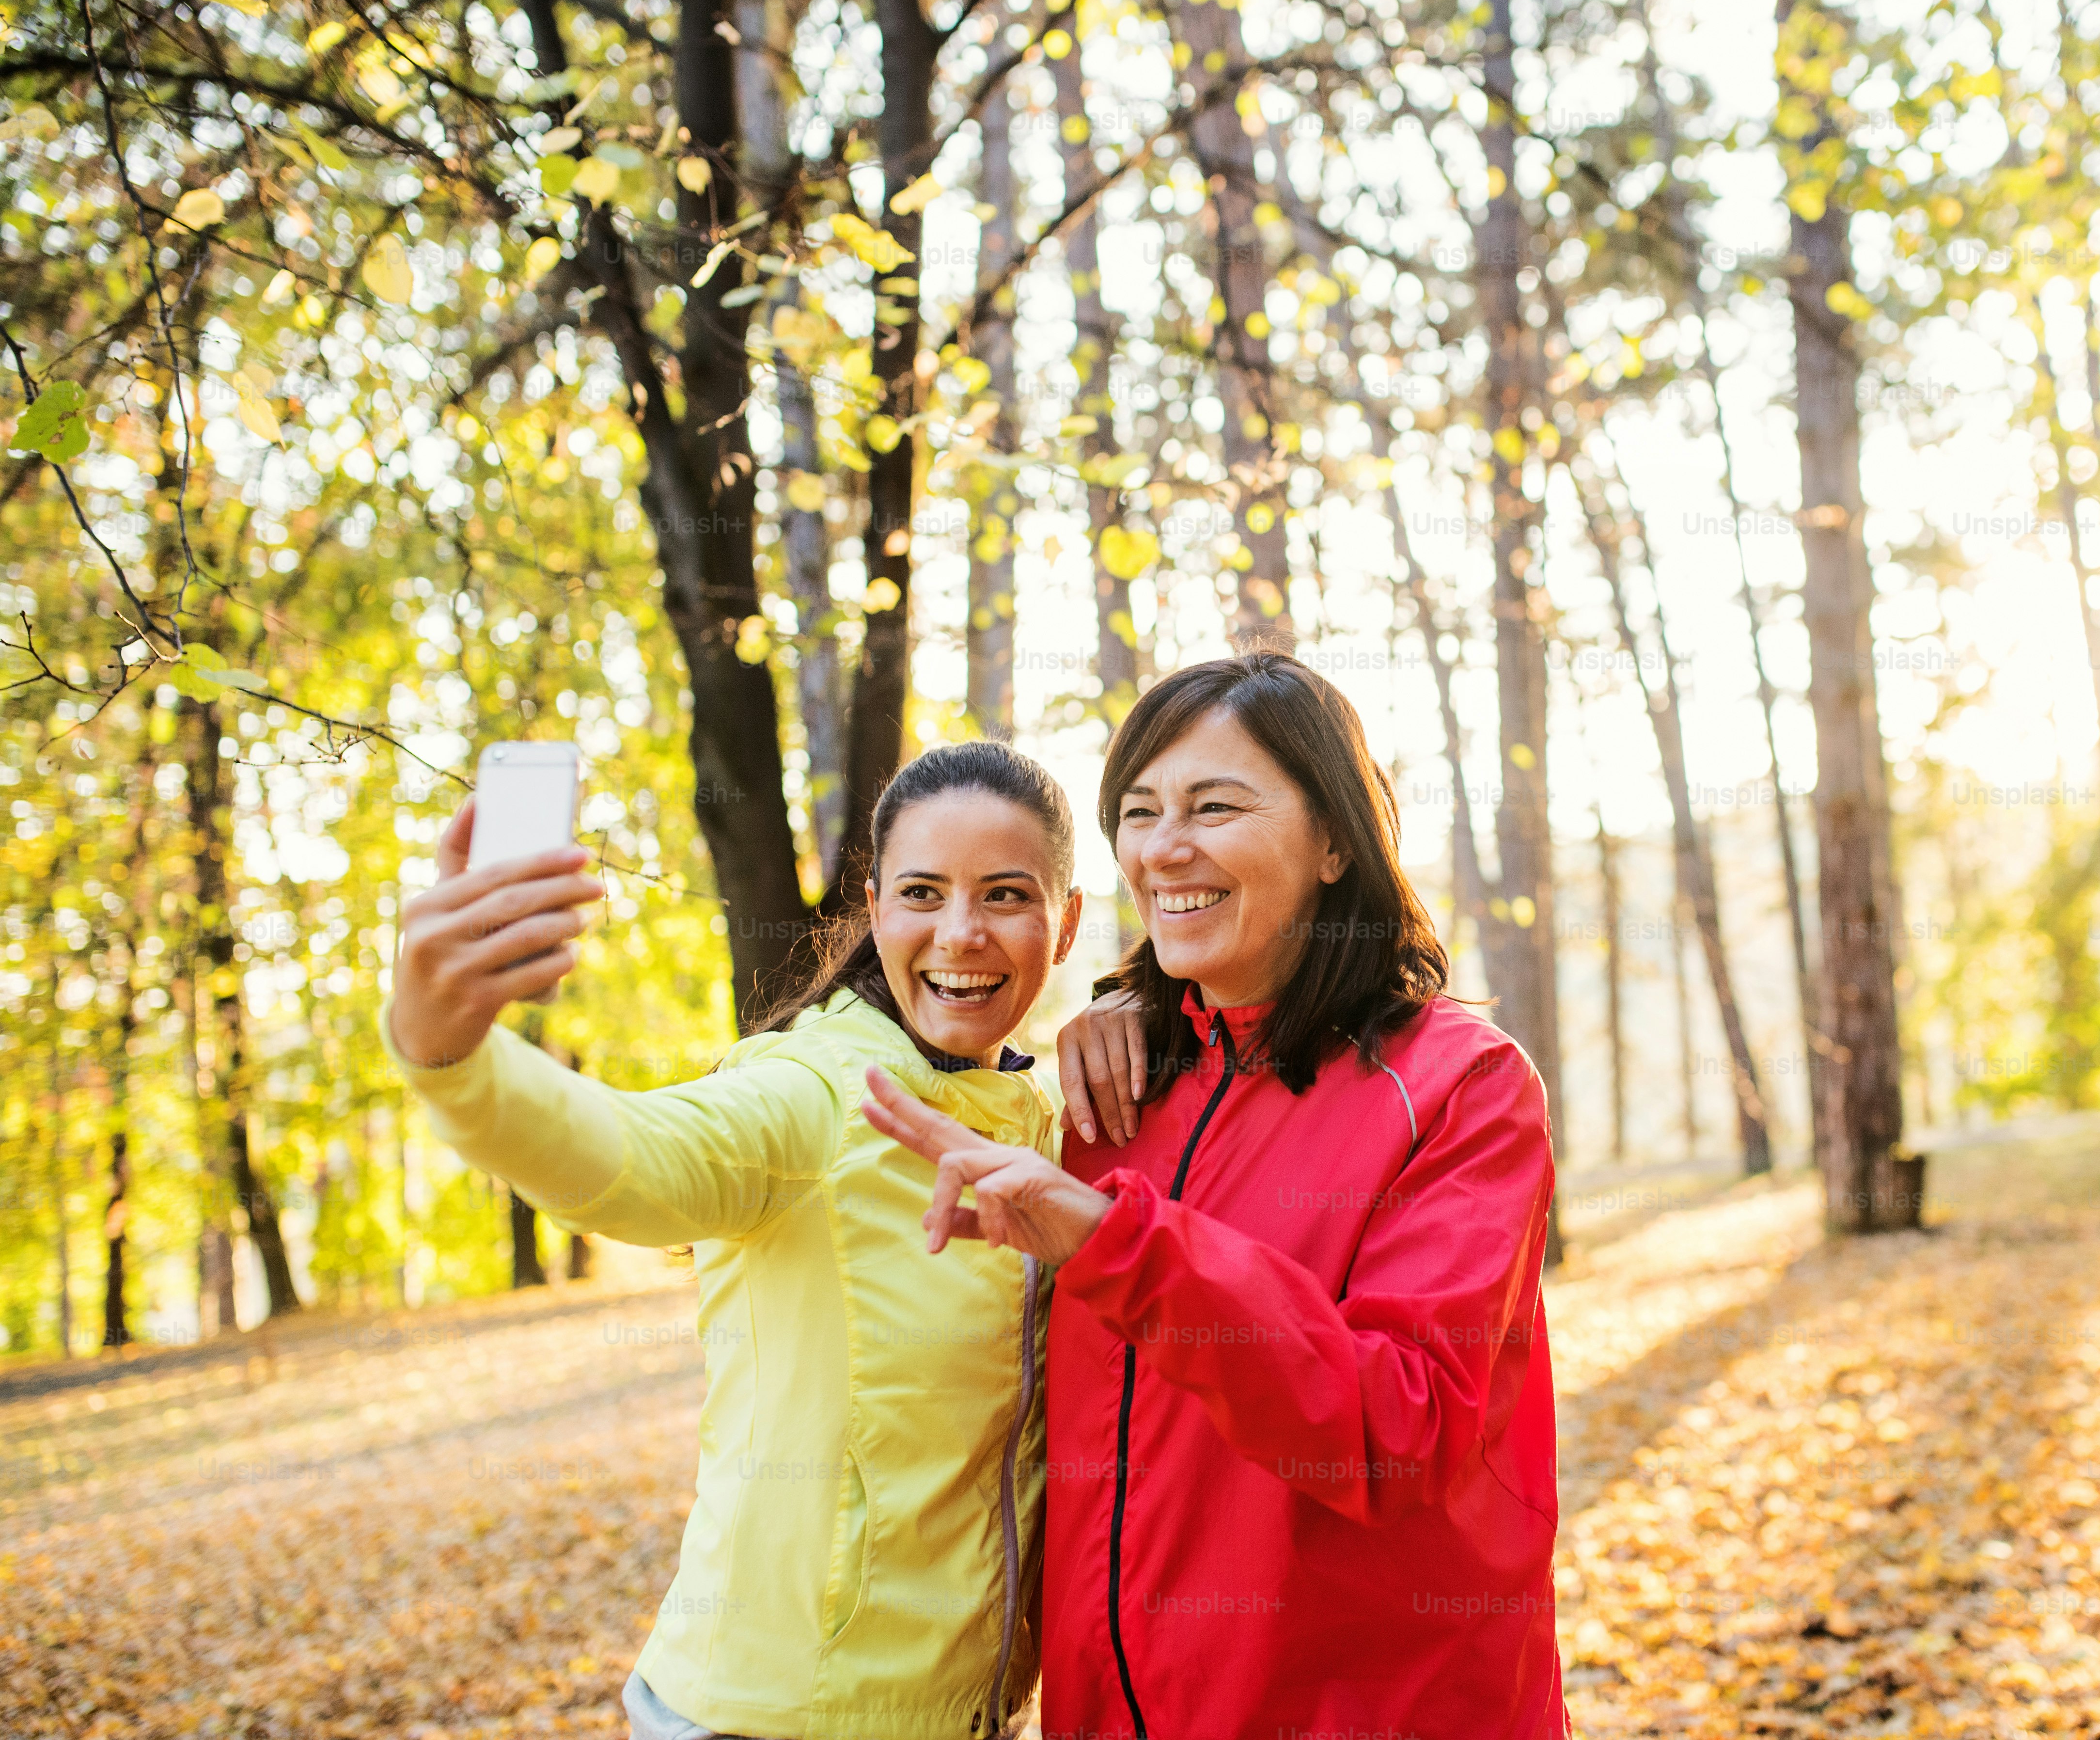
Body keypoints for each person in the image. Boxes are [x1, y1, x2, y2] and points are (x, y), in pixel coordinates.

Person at [858, 653, 1568, 1739]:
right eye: (1138, 812)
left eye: (1212, 806)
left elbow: (1398, 1432)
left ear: (1336, 840)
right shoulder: (1112, 1091)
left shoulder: (1461, 1086)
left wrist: (1118, 1242)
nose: (1162, 846)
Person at [383, 741, 1081, 1740]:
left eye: (1006, 893)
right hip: (771, 1713)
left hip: (968, 1714)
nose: (961, 931)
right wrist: (449, 1052)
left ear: (1067, 923)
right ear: (876, 904)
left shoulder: (1049, 1122)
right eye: (923, 891)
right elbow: (630, 1158)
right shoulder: (810, 1097)